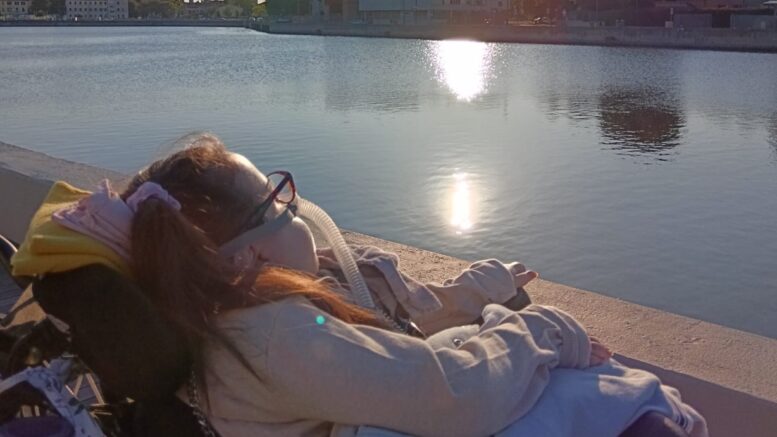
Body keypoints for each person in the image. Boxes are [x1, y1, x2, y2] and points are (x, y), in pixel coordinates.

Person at [37, 134, 705, 436]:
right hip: (438, 406)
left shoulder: (236, 316)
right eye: (276, 201)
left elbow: (386, 317)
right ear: (247, 254)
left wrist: (480, 290)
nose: (295, 208)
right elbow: (454, 394)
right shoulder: (270, 337)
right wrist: (547, 328)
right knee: (615, 396)